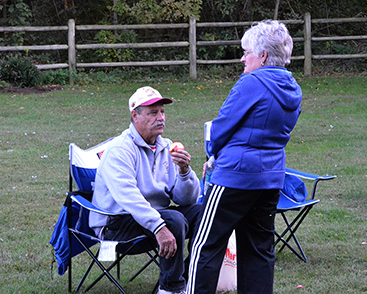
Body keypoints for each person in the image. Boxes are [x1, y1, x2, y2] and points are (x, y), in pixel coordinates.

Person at [187, 20, 302, 294]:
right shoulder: (293, 88)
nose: (242, 58)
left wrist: (212, 154)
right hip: (270, 179)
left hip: (234, 177)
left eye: (247, 52)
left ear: (262, 56)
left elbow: (222, 127)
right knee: (258, 251)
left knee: (206, 244)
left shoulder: (251, 82)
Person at [89, 86, 201, 294]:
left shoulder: (167, 147)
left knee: (205, 214)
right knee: (173, 219)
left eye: (162, 112)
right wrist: (158, 226)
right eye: (153, 113)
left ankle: (193, 277)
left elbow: (187, 199)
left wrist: (185, 172)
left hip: (153, 217)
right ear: (135, 116)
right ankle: (171, 289)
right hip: (116, 223)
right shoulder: (119, 150)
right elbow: (129, 198)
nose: (160, 118)